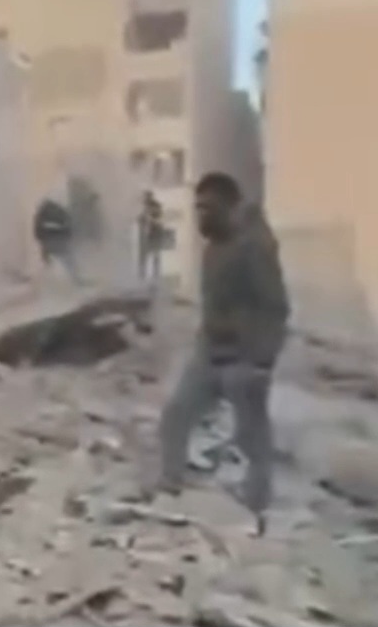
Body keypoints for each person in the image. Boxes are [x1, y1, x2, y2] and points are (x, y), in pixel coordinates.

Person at [157, 172, 289, 536]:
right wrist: (203, 344)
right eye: (197, 208)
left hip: (245, 359)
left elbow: (276, 308)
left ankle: (257, 507)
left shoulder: (255, 248)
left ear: (230, 207)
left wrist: (261, 361)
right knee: (176, 414)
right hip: (211, 353)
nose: (201, 215)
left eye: (209, 208)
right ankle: (170, 486)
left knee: (252, 437)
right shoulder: (213, 248)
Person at [33, 197, 79, 283]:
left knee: (48, 261)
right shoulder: (60, 212)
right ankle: (75, 279)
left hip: (49, 242)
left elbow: (37, 231)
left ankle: (48, 279)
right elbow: (69, 227)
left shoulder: (42, 214)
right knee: (69, 261)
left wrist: (41, 242)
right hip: (57, 242)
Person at [138, 190, 166, 281]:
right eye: (145, 197)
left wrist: (150, 219)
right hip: (145, 235)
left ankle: (155, 276)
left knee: (155, 255)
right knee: (143, 257)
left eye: (147, 196)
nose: (146, 199)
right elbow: (140, 220)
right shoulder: (143, 207)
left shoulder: (156, 206)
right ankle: (142, 276)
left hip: (155, 234)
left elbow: (159, 220)